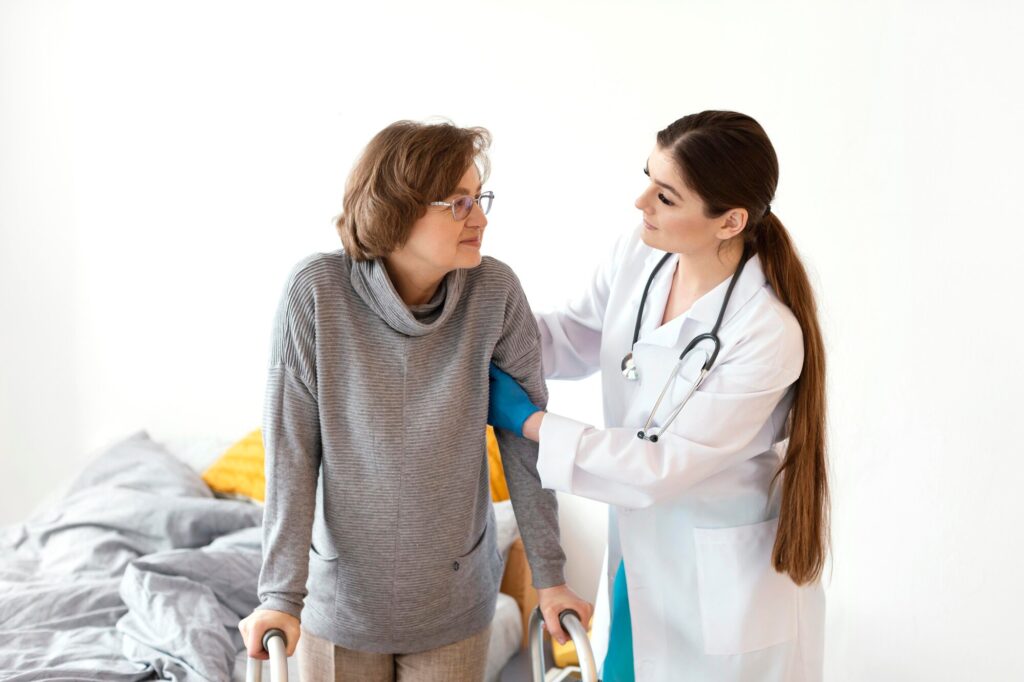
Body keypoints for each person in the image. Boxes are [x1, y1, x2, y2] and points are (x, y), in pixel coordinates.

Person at [239, 120, 592, 682]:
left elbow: (525, 450)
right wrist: (280, 595)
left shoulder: (495, 292)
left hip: (453, 606)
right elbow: (291, 453)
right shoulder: (316, 292)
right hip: (340, 607)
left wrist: (550, 577)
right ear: (395, 211)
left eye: (479, 199)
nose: (479, 218)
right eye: (458, 203)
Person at [488, 110, 828, 682]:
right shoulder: (641, 255)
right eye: (648, 176)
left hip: (721, 589)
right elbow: (573, 334)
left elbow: (657, 466)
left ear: (730, 221)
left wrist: (529, 422)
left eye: (666, 196)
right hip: (638, 566)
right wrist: (478, 335)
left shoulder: (766, 333)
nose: (641, 202)